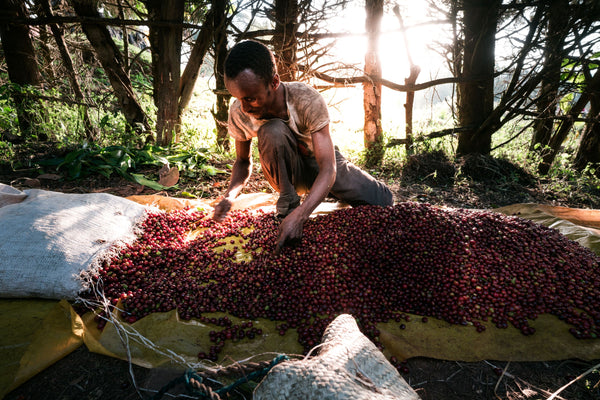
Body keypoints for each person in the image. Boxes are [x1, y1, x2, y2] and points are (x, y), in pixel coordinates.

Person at [213, 40, 393, 254]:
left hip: (321, 167)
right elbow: (243, 162)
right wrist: (230, 196)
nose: (244, 107)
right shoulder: (239, 111)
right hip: (286, 173)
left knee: (383, 201)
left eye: (251, 99)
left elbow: (328, 168)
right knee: (272, 131)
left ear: (274, 82)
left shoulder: (306, 99)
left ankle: (327, 194)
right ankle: (288, 207)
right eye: (238, 99)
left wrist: (302, 215)